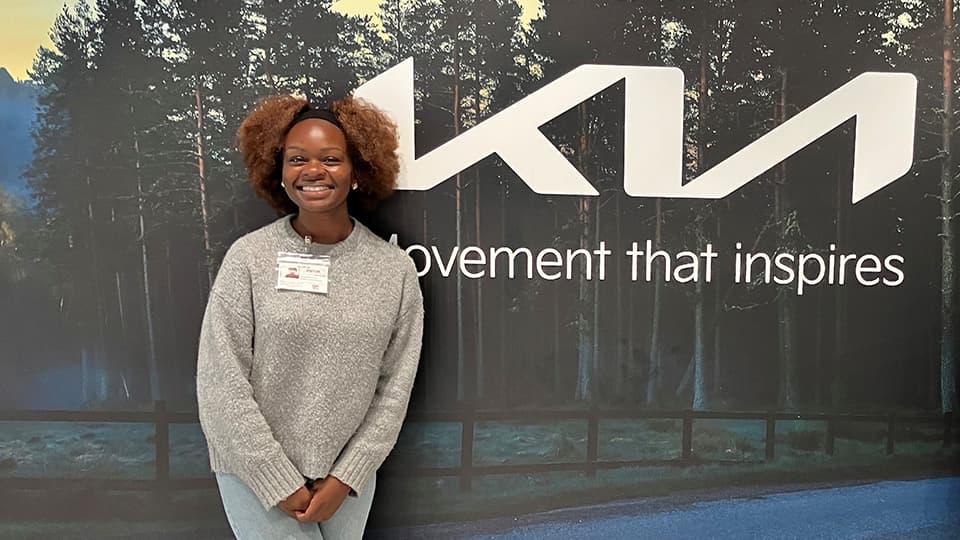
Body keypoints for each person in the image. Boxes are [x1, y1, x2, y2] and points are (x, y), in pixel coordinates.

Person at [196, 93, 424, 540]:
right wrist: (275, 478)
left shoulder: (394, 271)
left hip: (345, 485)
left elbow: (394, 389)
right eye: (297, 158)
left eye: (331, 158)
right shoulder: (248, 259)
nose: (313, 171)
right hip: (255, 476)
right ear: (278, 171)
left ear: (357, 169)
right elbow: (220, 381)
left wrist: (348, 476)